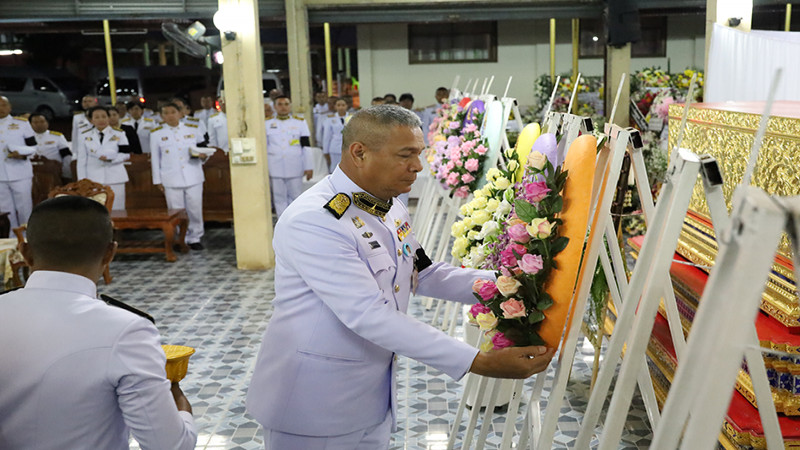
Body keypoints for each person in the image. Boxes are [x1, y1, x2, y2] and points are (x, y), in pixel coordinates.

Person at [247, 105, 555, 449]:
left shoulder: (388, 204)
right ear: (359, 152)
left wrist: (511, 285)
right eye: (405, 155)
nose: (418, 166)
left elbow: (423, 272)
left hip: (369, 397)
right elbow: (368, 314)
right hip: (312, 402)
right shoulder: (315, 220)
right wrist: (476, 361)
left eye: (419, 154)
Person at [0, 195, 197, 450]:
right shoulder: (126, 330)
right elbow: (170, 445)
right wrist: (182, 410)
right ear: (110, 253)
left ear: (25, 252)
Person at [150, 102, 209, 250]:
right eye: (166, 113)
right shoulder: (157, 134)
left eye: (173, 112)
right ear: (162, 116)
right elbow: (155, 159)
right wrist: (157, 180)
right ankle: (179, 238)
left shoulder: (193, 130)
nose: (170, 116)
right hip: (170, 178)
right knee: (176, 211)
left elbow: (203, 151)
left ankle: (195, 237)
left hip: (193, 175)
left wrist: (203, 156)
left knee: (194, 209)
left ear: (180, 113)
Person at [264, 95, 314, 218]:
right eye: (280, 104)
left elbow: (306, 146)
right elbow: (264, 147)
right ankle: (282, 222)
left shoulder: (300, 122)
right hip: (274, 165)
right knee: (278, 197)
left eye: (286, 104)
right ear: (275, 107)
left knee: (296, 196)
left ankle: (295, 220)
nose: (283, 107)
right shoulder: (267, 123)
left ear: (290, 106)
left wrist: (309, 166)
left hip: (295, 165)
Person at [75, 106, 131, 211]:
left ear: (109, 118)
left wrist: (111, 159)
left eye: (104, 116)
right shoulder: (84, 135)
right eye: (97, 117)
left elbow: (126, 154)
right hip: (93, 178)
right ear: (91, 120)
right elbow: (82, 160)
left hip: (115, 177)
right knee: (95, 209)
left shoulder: (119, 133)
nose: (101, 120)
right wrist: (82, 181)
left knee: (117, 208)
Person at [0, 96, 36, 236]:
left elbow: (33, 146)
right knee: (5, 210)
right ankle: (12, 239)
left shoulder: (22, 123)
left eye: (3, 105)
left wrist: (22, 155)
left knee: (25, 208)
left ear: (10, 107)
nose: (1, 108)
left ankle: (28, 238)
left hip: (20, 173)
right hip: (0, 176)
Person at [29, 112, 72, 181]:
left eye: (42, 121)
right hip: (31, 172)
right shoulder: (25, 137)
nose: (39, 124)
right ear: (30, 124)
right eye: (35, 122)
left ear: (47, 123)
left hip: (52, 171)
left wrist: (66, 173)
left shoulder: (57, 136)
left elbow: (67, 156)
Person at [321, 97, 350, 173]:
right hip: (334, 147)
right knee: (335, 168)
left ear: (347, 106)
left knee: (349, 169)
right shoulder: (330, 119)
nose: (341, 107)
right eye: (338, 105)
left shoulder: (351, 117)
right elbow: (327, 136)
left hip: (349, 147)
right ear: (335, 107)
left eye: (343, 105)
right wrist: (325, 151)